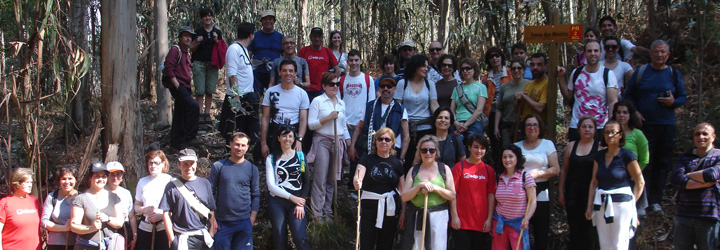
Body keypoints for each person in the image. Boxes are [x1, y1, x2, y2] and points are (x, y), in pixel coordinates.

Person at [624, 39, 686, 214]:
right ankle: (641, 200)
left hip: (666, 125)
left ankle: (656, 201)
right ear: (650, 54)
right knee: (644, 162)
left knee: (662, 163)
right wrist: (635, 112)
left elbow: (683, 97)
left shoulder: (673, 74)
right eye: (656, 52)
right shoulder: (641, 73)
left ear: (667, 55)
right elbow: (628, 95)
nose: (659, 55)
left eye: (663, 52)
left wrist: (673, 102)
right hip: (645, 126)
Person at [585, 120, 645, 250]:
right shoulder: (599, 156)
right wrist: (589, 206)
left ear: (620, 135)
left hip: (622, 204)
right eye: (607, 132)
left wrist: (631, 203)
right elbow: (594, 182)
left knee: (619, 244)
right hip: (601, 202)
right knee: (605, 243)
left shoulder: (627, 156)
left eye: (613, 132)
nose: (610, 135)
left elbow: (640, 181)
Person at [307, 72, 351, 220]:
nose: (335, 87)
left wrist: (348, 143)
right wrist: (327, 118)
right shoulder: (318, 101)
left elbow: (343, 127)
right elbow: (311, 125)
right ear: (324, 86)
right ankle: (317, 214)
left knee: (332, 180)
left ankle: (328, 212)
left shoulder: (341, 102)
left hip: (338, 142)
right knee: (320, 178)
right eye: (331, 84)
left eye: (337, 84)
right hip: (322, 141)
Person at [400, 135, 456, 250]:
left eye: (432, 150)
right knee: (417, 246)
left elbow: (452, 195)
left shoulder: (444, 169)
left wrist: (435, 188)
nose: (428, 153)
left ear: (436, 152)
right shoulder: (414, 170)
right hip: (417, 215)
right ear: (419, 152)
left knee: (437, 246)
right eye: (424, 150)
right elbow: (405, 197)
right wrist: (419, 187)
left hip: (438, 216)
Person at [353, 128, 406, 250]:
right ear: (375, 141)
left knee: (386, 242)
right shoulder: (366, 159)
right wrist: (357, 182)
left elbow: (402, 190)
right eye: (380, 139)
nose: (383, 142)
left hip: (390, 208)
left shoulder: (397, 163)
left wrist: (403, 212)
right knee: (366, 241)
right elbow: (358, 175)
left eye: (387, 139)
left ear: (392, 142)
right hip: (368, 208)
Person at [670, 122, 720, 250]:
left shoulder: (718, 155)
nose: (701, 137)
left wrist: (687, 176)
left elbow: (712, 175)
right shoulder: (684, 157)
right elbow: (676, 178)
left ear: (713, 137)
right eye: (697, 134)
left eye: (705, 133)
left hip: (708, 216)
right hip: (683, 215)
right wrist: (703, 183)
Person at [514, 114, 559, 250]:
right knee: (519, 232)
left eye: (535, 125)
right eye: (529, 125)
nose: (532, 128)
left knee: (541, 232)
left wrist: (538, 174)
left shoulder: (547, 144)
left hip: (541, 191)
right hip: (520, 192)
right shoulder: (516, 146)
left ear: (540, 127)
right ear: (524, 128)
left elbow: (556, 169)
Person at [559, 40, 619, 142]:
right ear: (585, 53)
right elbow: (568, 97)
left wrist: (611, 124)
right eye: (589, 51)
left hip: (599, 126)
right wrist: (561, 78)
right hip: (577, 125)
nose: (593, 54)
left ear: (600, 53)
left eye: (596, 51)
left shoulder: (607, 74)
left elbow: (613, 101)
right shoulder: (576, 72)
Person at [210, 133, 260, 250]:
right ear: (230, 144)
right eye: (237, 144)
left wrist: (252, 219)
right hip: (222, 222)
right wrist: (212, 218)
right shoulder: (218, 166)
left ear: (247, 147)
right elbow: (210, 192)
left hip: (244, 222)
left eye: (243, 145)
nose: (240, 148)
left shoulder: (252, 169)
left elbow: (256, 195)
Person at [159, 148, 216, 250]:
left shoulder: (205, 184)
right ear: (178, 165)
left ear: (196, 164)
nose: (189, 167)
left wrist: (211, 232)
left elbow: (211, 210)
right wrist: (172, 240)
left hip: (203, 237)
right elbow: (166, 214)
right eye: (185, 164)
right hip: (182, 238)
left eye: (191, 163)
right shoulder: (171, 186)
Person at [220, 22, 261, 160]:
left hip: (248, 96)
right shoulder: (234, 49)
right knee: (235, 132)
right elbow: (232, 75)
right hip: (238, 98)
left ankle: (250, 157)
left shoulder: (243, 49)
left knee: (251, 130)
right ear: (251, 35)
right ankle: (231, 158)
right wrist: (236, 97)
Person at [266, 126, 311, 250]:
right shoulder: (271, 158)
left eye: (290, 136)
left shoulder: (300, 156)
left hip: (297, 203)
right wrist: (292, 197)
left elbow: (306, 182)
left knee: (299, 236)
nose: (287, 139)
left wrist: (300, 203)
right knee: (279, 237)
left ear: (294, 138)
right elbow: (271, 186)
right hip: (277, 201)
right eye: (284, 136)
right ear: (278, 138)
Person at [558, 116, 599, 250]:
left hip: (591, 194)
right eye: (584, 126)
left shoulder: (599, 148)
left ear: (595, 129)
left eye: (590, 127)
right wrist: (561, 192)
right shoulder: (571, 146)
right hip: (573, 193)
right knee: (574, 227)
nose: (587, 129)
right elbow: (564, 170)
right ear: (579, 129)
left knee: (589, 229)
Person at [450, 134, 496, 249]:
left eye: (482, 148)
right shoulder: (459, 167)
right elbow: (452, 194)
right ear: (469, 147)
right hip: (461, 222)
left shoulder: (489, 170)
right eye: (476, 147)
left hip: (481, 222)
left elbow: (491, 195)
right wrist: (454, 216)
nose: (479, 151)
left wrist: (489, 219)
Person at [349, 77, 409, 165]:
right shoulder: (370, 106)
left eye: (389, 86)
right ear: (379, 88)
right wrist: (352, 146)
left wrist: (402, 158)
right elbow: (359, 127)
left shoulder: (400, 109)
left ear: (394, 89)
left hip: (392, 151)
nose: (386, 89)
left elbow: (406, 137)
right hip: (372, 149)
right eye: (383, 86)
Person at [395, 55, 439, 172]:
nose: (426, 69)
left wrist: (442, 117)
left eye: (427, 67)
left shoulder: (430, 84)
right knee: (407, 158)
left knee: (425, 157)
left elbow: (434, 105)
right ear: (415, 66)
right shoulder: (402, 83)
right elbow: (397, 106)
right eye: (423, 66)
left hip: (426, 127)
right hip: (406, 128)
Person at [261, 59, 310, 157]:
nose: (288, 73)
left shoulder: (302, 94)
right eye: (284, 70)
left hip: (293, 133)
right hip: (275, 132)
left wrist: (299, 139)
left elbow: (303, 120)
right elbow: (265, 118)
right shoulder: (270, 92)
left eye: (291, 71)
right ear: (279, 72)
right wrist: (263, 143)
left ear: (295, 73)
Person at [492, 144, 537, 250]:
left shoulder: (526, 177)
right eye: (504, 157)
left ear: (517, 158)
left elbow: (533, 202)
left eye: (511, 156)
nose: (507, 160)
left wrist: (527, 219)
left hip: (518, 224)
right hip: (499, 223)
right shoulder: (499, 178)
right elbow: (495, 201)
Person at [70, 162, 124, 250]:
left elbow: (120, 223)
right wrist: (92, 228)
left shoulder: (114, 197)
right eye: (96, 176)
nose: (100, 179)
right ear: (90, 178)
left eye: (103, 176)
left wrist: (108, 219)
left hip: (109, 246)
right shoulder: (80, 199)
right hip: (86, 246)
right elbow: (74, 226)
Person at [612, 100, 649, 215]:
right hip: (612, 180)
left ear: (630, 114)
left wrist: (634, 174)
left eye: (625, 112)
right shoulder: (609, 134)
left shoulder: (637, 134)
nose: (621, 115)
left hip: (632, 180)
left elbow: (645, 159)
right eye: (619, 112)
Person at [165, 26, 200, 150]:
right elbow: (168, 68)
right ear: (180, 37)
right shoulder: (176, 50)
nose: (188, 38)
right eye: (185, 35)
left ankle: (175, 143)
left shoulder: (186, 52)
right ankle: (190, 137)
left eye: (190, 36)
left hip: (185, 86)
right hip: (179, 86)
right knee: (194, 107)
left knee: (180, 114)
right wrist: (177, 86)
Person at [134, 150, 173, 250]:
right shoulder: (142, 182)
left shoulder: (170, 181)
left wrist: (161, 216)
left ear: (163, 163)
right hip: (145, 227)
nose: (153, 166)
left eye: (156, 163)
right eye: (150, 163)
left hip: (164, 227)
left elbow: (176, 208)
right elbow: (136, 206)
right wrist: (144, 209)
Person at [190, 8, 223, 120]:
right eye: (205, 16)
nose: (207, 18)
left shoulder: (217, 32)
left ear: (212, 17)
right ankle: (199, 114)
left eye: (209, 16)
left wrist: (216, 41)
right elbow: (192, 49)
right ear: (201, 18)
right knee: (200, 90)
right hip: (199, 63)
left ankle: (207, 114)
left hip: (212, 64)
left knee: (210, 90)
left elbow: (222, 49)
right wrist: (197, 42)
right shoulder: (197, 32)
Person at [482, 47, 512, 162]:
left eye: (497, 56)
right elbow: (485, 97)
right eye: (491, 57)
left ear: (501, 57)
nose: (494, 58)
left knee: (508, 142)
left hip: (509, 111)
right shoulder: (486, 77)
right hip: (492, 113)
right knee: (496, 143)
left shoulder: (510, 72)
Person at [0, 168, 42, 250]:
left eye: (31, 182)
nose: (30, 185)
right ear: (17, 184)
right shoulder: (5, 202)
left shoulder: (34, 201)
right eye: (27, 182)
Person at [42, 165, 79, 250]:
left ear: (76, 179)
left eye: (70, 178)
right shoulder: (52, 197)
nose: (67, 182)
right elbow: (44, 221)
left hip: (77, 243)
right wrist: (64, 228)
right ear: (59, 181)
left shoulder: (82, 198)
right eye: (63, 179)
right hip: (56, 244)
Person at [298, 27, 340, 101]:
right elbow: (297, 69)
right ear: (311, 38)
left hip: (323, 90)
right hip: (307, 90)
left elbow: (337, 70)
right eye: (314, 36)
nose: (317, 39)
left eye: (319, 36)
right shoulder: (304, 51)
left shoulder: (327, 51)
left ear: (322, 38)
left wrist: (331, 83)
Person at [451, 58, 488, 141]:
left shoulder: (481, 87)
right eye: (463, 69)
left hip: (474, 123)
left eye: (468, 68)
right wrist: (456, 123)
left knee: (473, 150)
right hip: (457, 124)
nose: (465, 71)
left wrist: (465, 125)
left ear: (474, 69)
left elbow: (479, 110)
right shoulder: (456, 89)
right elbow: (452, 110)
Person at [495, 58, 529, 146]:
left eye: (519, 68)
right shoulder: (504, 86)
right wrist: (496, 127)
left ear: (523, 70)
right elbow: (499, 108)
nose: (516, 70)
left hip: (522, 123)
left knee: (520, 151)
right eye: (513, 68)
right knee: (507, 150)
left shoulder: (529, 85)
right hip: (506, 124)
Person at [247, 10, 283, 90]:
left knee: (272, 97)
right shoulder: (255, 36)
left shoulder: (280, 37)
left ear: (274, 21)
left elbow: (285, 57)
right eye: (265, 19)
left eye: (270, 19)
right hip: (257, 72)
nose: (268, 21)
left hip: (274, 73)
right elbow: (248, 55)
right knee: (255, 97)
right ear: (261, 21)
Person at [105, 161, 138, 249]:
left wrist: (135, 236)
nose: (115, 178)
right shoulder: (101, 193)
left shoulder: (126, 193)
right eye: (112, 174)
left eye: (118, 174)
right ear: (106, 176)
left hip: (125, 229)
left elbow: (131, 216)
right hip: (107, 229)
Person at [516, 53, 550, 124]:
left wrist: (524, 96)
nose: (535, 67)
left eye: (539, 65)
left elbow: (540, 108)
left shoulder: (548, 84)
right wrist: (517, 100)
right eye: (532, 65)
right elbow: (519, 109)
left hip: (538, 127)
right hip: (524, 125)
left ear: (546, 66)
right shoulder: (528, 84)